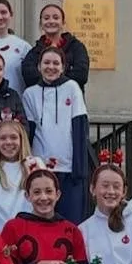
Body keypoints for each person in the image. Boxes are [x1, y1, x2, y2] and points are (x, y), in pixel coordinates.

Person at [22, 47, 90, 222]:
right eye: (46, 63)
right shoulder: (30, 94)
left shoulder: (72, 88)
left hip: (68, 169)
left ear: (63, 67)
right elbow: (27, 132)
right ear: (39, 66)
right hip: (41, 167)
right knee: (42, 220)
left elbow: (80, 127)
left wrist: (80, 169)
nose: (50, 67)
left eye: (55, 63)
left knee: (70, 221)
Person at [18, 0, 91, 90]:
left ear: (63, 23)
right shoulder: (34, 52)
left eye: (56, 18)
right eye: (46, 18)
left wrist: (50, 79)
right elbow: (29, 76)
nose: (51, 21)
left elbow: (81, 75)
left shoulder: (76, 48)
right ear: (41, 24)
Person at [0, 117, 33, 234]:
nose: (8, 142)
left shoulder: (34, 164)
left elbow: (38, 201)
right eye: (3, 138)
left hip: (29, 233)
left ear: (22, 139)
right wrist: (6, 232)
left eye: (13, 137)